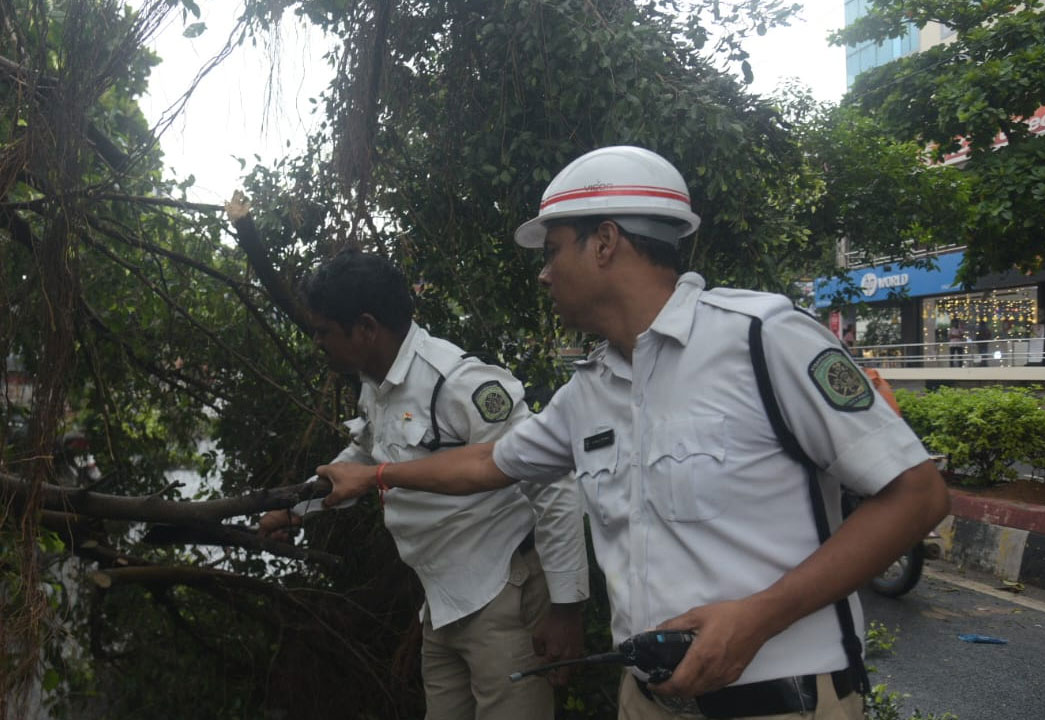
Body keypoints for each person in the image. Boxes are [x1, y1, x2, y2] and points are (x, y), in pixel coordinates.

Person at [317, 147, 949, 720]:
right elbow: (488, 464)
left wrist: (759, 617)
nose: (543, 274)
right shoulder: (589, 391)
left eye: (552, 251)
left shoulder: (764, 339)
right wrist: (376, 474)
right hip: (646, 699)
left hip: (781, 700)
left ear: (604, 243)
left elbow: (917, 496)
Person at [257, 250, 589, 720]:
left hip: (502, 594)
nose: (317, 342)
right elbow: (367, 454)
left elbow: (554, 484)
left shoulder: (457, 381)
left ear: (366, 327)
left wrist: (567, 607)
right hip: (442, 601)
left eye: (324, 331)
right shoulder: (376, 382)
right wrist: (296, 507)